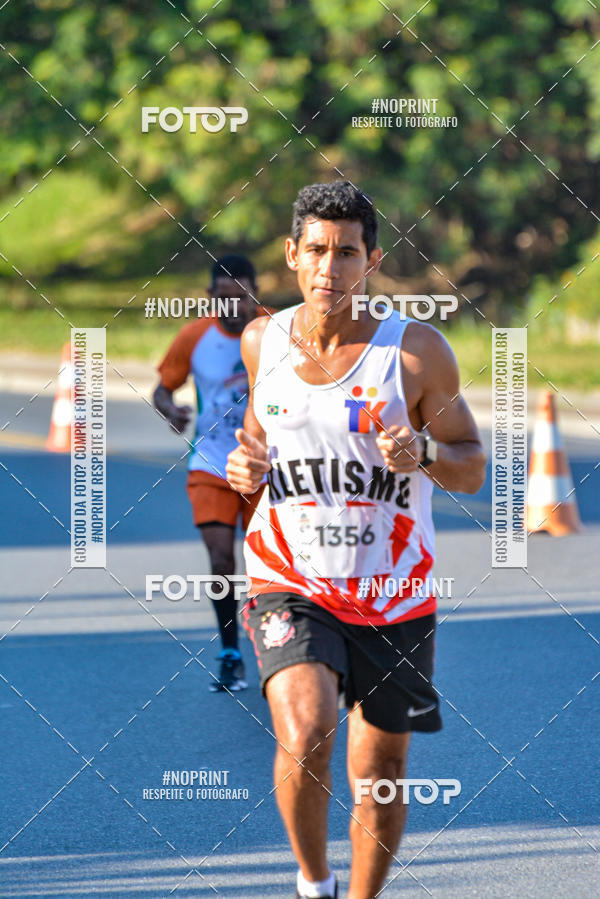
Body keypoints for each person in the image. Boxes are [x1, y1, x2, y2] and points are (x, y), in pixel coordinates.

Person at [226, 181, 486, 898]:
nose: (329, 268)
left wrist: (424, 453)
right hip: (290, 579)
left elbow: (471, 467)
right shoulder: (263, 341)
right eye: (316, 250)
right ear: (292, 254)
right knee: (306, 730)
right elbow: (255, 441)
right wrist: (244, 468)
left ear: (372, 260)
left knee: (380, 774)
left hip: (391, 590)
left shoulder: (415, 353)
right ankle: (315, 884)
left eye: (346, 253)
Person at [153, 254, 266, 693]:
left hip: (266, 466)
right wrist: (171, 410)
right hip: (211, 463)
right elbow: (163, 388)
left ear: (256, 294)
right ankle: (231, 652)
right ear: (210, 297)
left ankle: (278, 651)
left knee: (268, 564)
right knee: (221, 560)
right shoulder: (195, 336)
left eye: (242, 296)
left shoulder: (278, 330)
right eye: (224, 298)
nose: (234, 306)